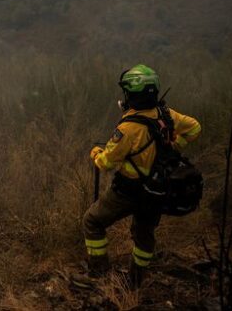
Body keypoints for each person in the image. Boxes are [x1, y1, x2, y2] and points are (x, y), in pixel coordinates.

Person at [83, 65, 201, 286]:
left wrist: (96, 154)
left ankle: (98, 273)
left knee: (92, 221)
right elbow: (195, 128)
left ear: (132, 95)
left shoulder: (128, 128)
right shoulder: (167, 115)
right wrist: (176, 146)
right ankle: (136, 280)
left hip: (128, 191)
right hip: (157, 190)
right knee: (144, 233)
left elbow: (106, 163)